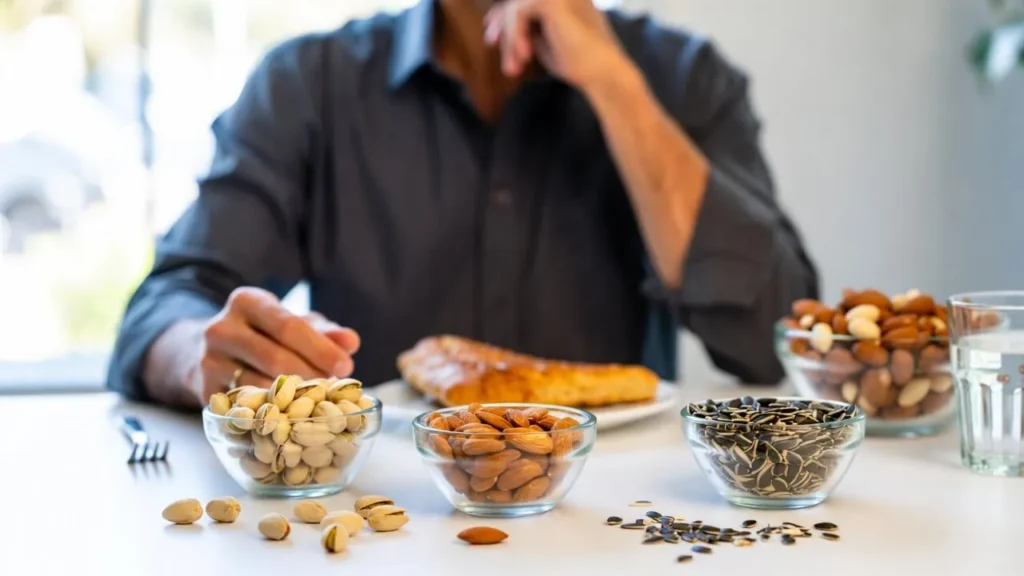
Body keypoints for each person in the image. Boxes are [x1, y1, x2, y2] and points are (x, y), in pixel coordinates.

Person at [107, 0, 818, 409]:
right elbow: (165, 308)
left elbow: (776, 338)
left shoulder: (683, 78)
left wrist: (614, 86)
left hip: (619, 526)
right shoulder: (310, 83)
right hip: (374, 525)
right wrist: (206, 356)